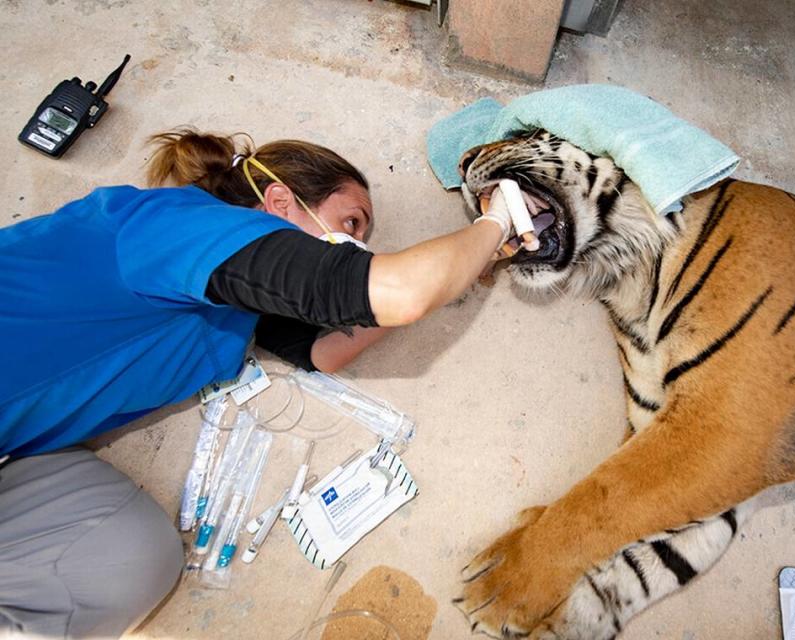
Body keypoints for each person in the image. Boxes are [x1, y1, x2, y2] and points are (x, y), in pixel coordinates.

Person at [0, 128, 514, 638]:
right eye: (350, 223)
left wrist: (476, 260)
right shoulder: (177, 226)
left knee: (129, 558)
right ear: (279, 200)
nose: (354, 247)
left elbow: (327, 351)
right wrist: (496, 221)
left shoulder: (236, 298)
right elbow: (398, 290)